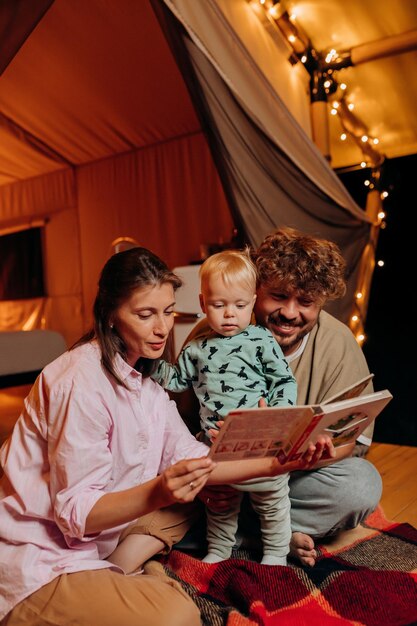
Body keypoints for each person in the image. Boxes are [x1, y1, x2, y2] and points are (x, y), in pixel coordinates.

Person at [0, 246, 332, 625]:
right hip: (43, 558)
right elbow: (75, 516)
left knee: (204, 496)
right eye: (145, 314)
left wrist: (283, 458)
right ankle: (136, 578)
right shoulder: (79, 383)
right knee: (177, 616)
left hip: (106, 539)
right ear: (110, 315)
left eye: (168, 311)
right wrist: (159, 491)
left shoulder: (147, 384)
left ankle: (126, 572)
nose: (162, 328)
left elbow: (190, 455)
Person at [185, 227, 382, 567]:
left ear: (320, 301)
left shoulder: (338, 342)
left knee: (361, 485)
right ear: (255, 290)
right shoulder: (209, 336)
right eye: (278, 296)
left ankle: (250, 534)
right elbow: (174, 427)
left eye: (306, 302)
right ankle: (273, 535)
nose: (290, 313)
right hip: (219, 475)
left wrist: (317, 452)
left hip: (290, 480)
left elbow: (351, 443)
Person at [152, 250, 297, 565]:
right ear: (204, 305)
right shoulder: (196, 349)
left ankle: (276, 551)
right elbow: (176, 380)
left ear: (253, 302)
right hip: (216, 442)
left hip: (259, 440)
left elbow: (284, 381)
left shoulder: (262, 341)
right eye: (219, 306)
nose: (229, 314)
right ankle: (219, 548)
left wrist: (275, 416)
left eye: (240, 305)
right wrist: (150, 365)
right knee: (219, 501)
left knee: (271, 498)